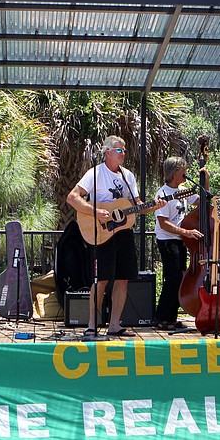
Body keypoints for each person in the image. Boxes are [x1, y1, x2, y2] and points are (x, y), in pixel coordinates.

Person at [67, 135, 162, 338]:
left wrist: (154, 206)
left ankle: (114, 325)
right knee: (101, 280)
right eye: (119, 150)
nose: (123, 154)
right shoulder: (95, 173)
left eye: (125, 150)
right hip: (102, 233)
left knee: (123, 279)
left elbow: (137, 205)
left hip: (124, 232)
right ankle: (92, 325)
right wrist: (95, 211)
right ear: (107, 152)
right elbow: (72, 197)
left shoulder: (128, 176)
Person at [153, 157, 202, 330]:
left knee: (180, 278)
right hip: (168, 240)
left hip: (181, 240)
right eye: (183, 170)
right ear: (175, 173)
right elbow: (163, 222)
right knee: (172, 278)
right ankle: (161, 317)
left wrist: (206, 179)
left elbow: (201, 201)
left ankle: (171, 317)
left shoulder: (183, 191)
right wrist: (186, 232)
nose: (186, 173)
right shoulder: (163, 194)